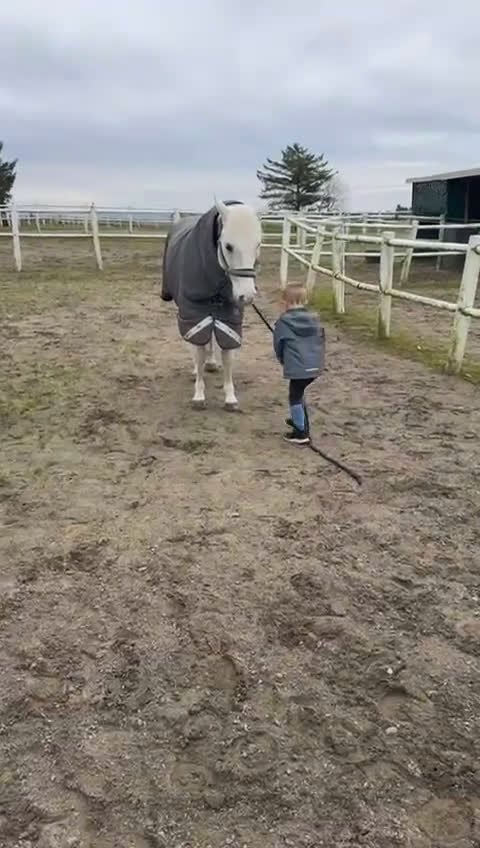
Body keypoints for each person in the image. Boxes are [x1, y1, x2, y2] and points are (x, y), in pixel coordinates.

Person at [273, 282, 325, 445]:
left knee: (294, 395)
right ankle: (299, 420)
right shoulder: (315, 320)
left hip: (297, 368)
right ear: (305, 301)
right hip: (315, 366)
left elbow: (278, 345)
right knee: (299, 392)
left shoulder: (283, 322)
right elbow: (321, 340)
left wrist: (283, 360)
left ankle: (300, 432)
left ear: (284, 303)